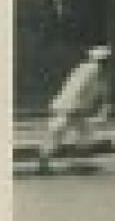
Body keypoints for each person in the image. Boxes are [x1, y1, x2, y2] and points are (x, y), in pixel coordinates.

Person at [38, 46, 111, 174]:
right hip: (70, 107)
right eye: (107, 59)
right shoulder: (92, 70)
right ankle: (45, 163)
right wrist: (75, 108)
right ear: (102, 59)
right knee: (58, 132)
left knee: (82, 134)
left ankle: (75, 164)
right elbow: (78, 89)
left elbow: (97, 90)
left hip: (72, 107)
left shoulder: (86, 69)